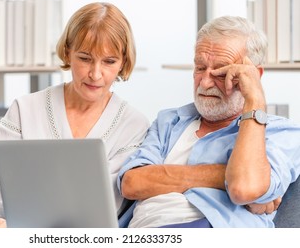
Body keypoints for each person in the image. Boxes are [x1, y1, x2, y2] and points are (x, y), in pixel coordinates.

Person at [117, 16, 300, 228]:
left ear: (253, 75)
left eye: (222, 72)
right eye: (200, 68)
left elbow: (243, 187)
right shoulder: (169, 121)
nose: (204, 82)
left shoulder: (282, 133)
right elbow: (132, 183)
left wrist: (255, 100)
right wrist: (225, 174)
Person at [0, 2, 150, 228]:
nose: (95, 74)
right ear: (68, 52)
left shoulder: (134, 125)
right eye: (85, 58)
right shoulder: (24, 109)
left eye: (109, 62)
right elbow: (1, 194)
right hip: (19, 228)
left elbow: (108, 205)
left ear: (123, 63)